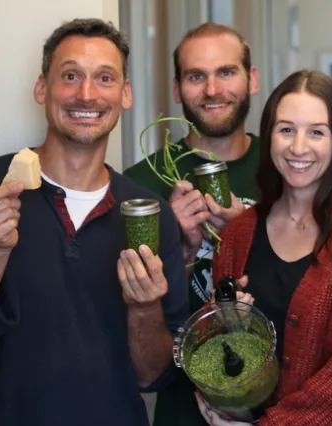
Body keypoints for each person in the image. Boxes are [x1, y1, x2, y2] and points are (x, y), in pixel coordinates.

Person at [0, 18, 189, 426]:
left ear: (125, 95)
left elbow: (153, 376)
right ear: (42, 88)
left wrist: (144, 307)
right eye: (71, 75)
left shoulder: (150, 214)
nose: (87, 94)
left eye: (105, 78)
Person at [195, 69, 332, 426]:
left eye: (317, 132)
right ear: (269, 136)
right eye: (286, 129)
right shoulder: (238, 234)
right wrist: (227, 326)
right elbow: (222, 349)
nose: (298, 147)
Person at [123, 22, 261, 426]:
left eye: (226, 72)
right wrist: (176, 247)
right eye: (196, 76)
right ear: (177, 88)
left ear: (251, 79)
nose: (213, 90)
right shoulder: (139, 186)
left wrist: (247, 232)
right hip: (182, 409)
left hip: (280, 402)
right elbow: (131, 333)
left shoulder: (288, 169)